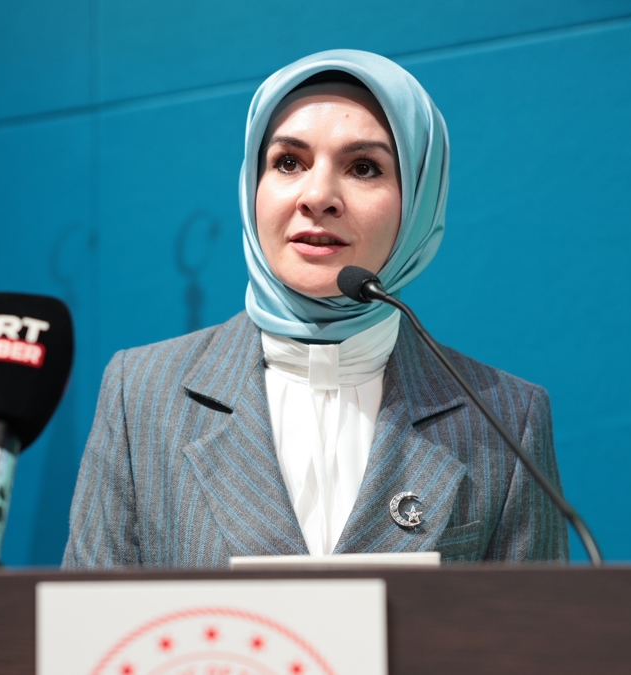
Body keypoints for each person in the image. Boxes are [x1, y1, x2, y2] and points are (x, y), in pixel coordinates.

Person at [63, 50, 568, 568]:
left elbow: (532, 622)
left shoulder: (507, 417)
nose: (318, 196)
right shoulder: (140, 393)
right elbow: (91, 615)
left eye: (363, 167)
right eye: (288, 162)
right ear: (252, 185)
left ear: (418, 201)